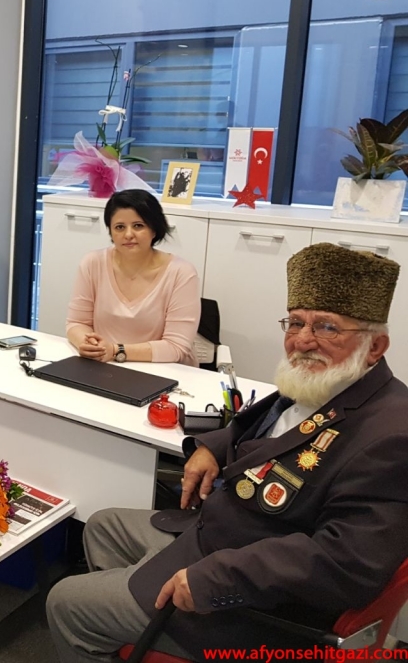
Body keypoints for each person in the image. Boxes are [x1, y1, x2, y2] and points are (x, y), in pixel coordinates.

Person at [47, 242, 408, 660]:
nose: (303, 340)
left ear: (375, 347)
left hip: (251, 601)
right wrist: (211, 448)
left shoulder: (390, 435)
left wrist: (216, 578)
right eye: (295, 323)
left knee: (65, 603)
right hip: (221, 535)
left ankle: (124, 621)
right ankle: (128, 629)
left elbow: (346, 564)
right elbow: (259, 425)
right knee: (103, 525)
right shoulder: (325, 382)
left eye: (327, 327)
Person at [66, 189, 200, 367]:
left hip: (164, 370)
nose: (128, 234)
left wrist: (116, 351)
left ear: (154, 229)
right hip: (104, 365)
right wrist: (88, 345)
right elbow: (77, 323)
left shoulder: (181, 273)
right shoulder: (92, 263)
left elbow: (176, 347)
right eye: (119, 227)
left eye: (138, 226)